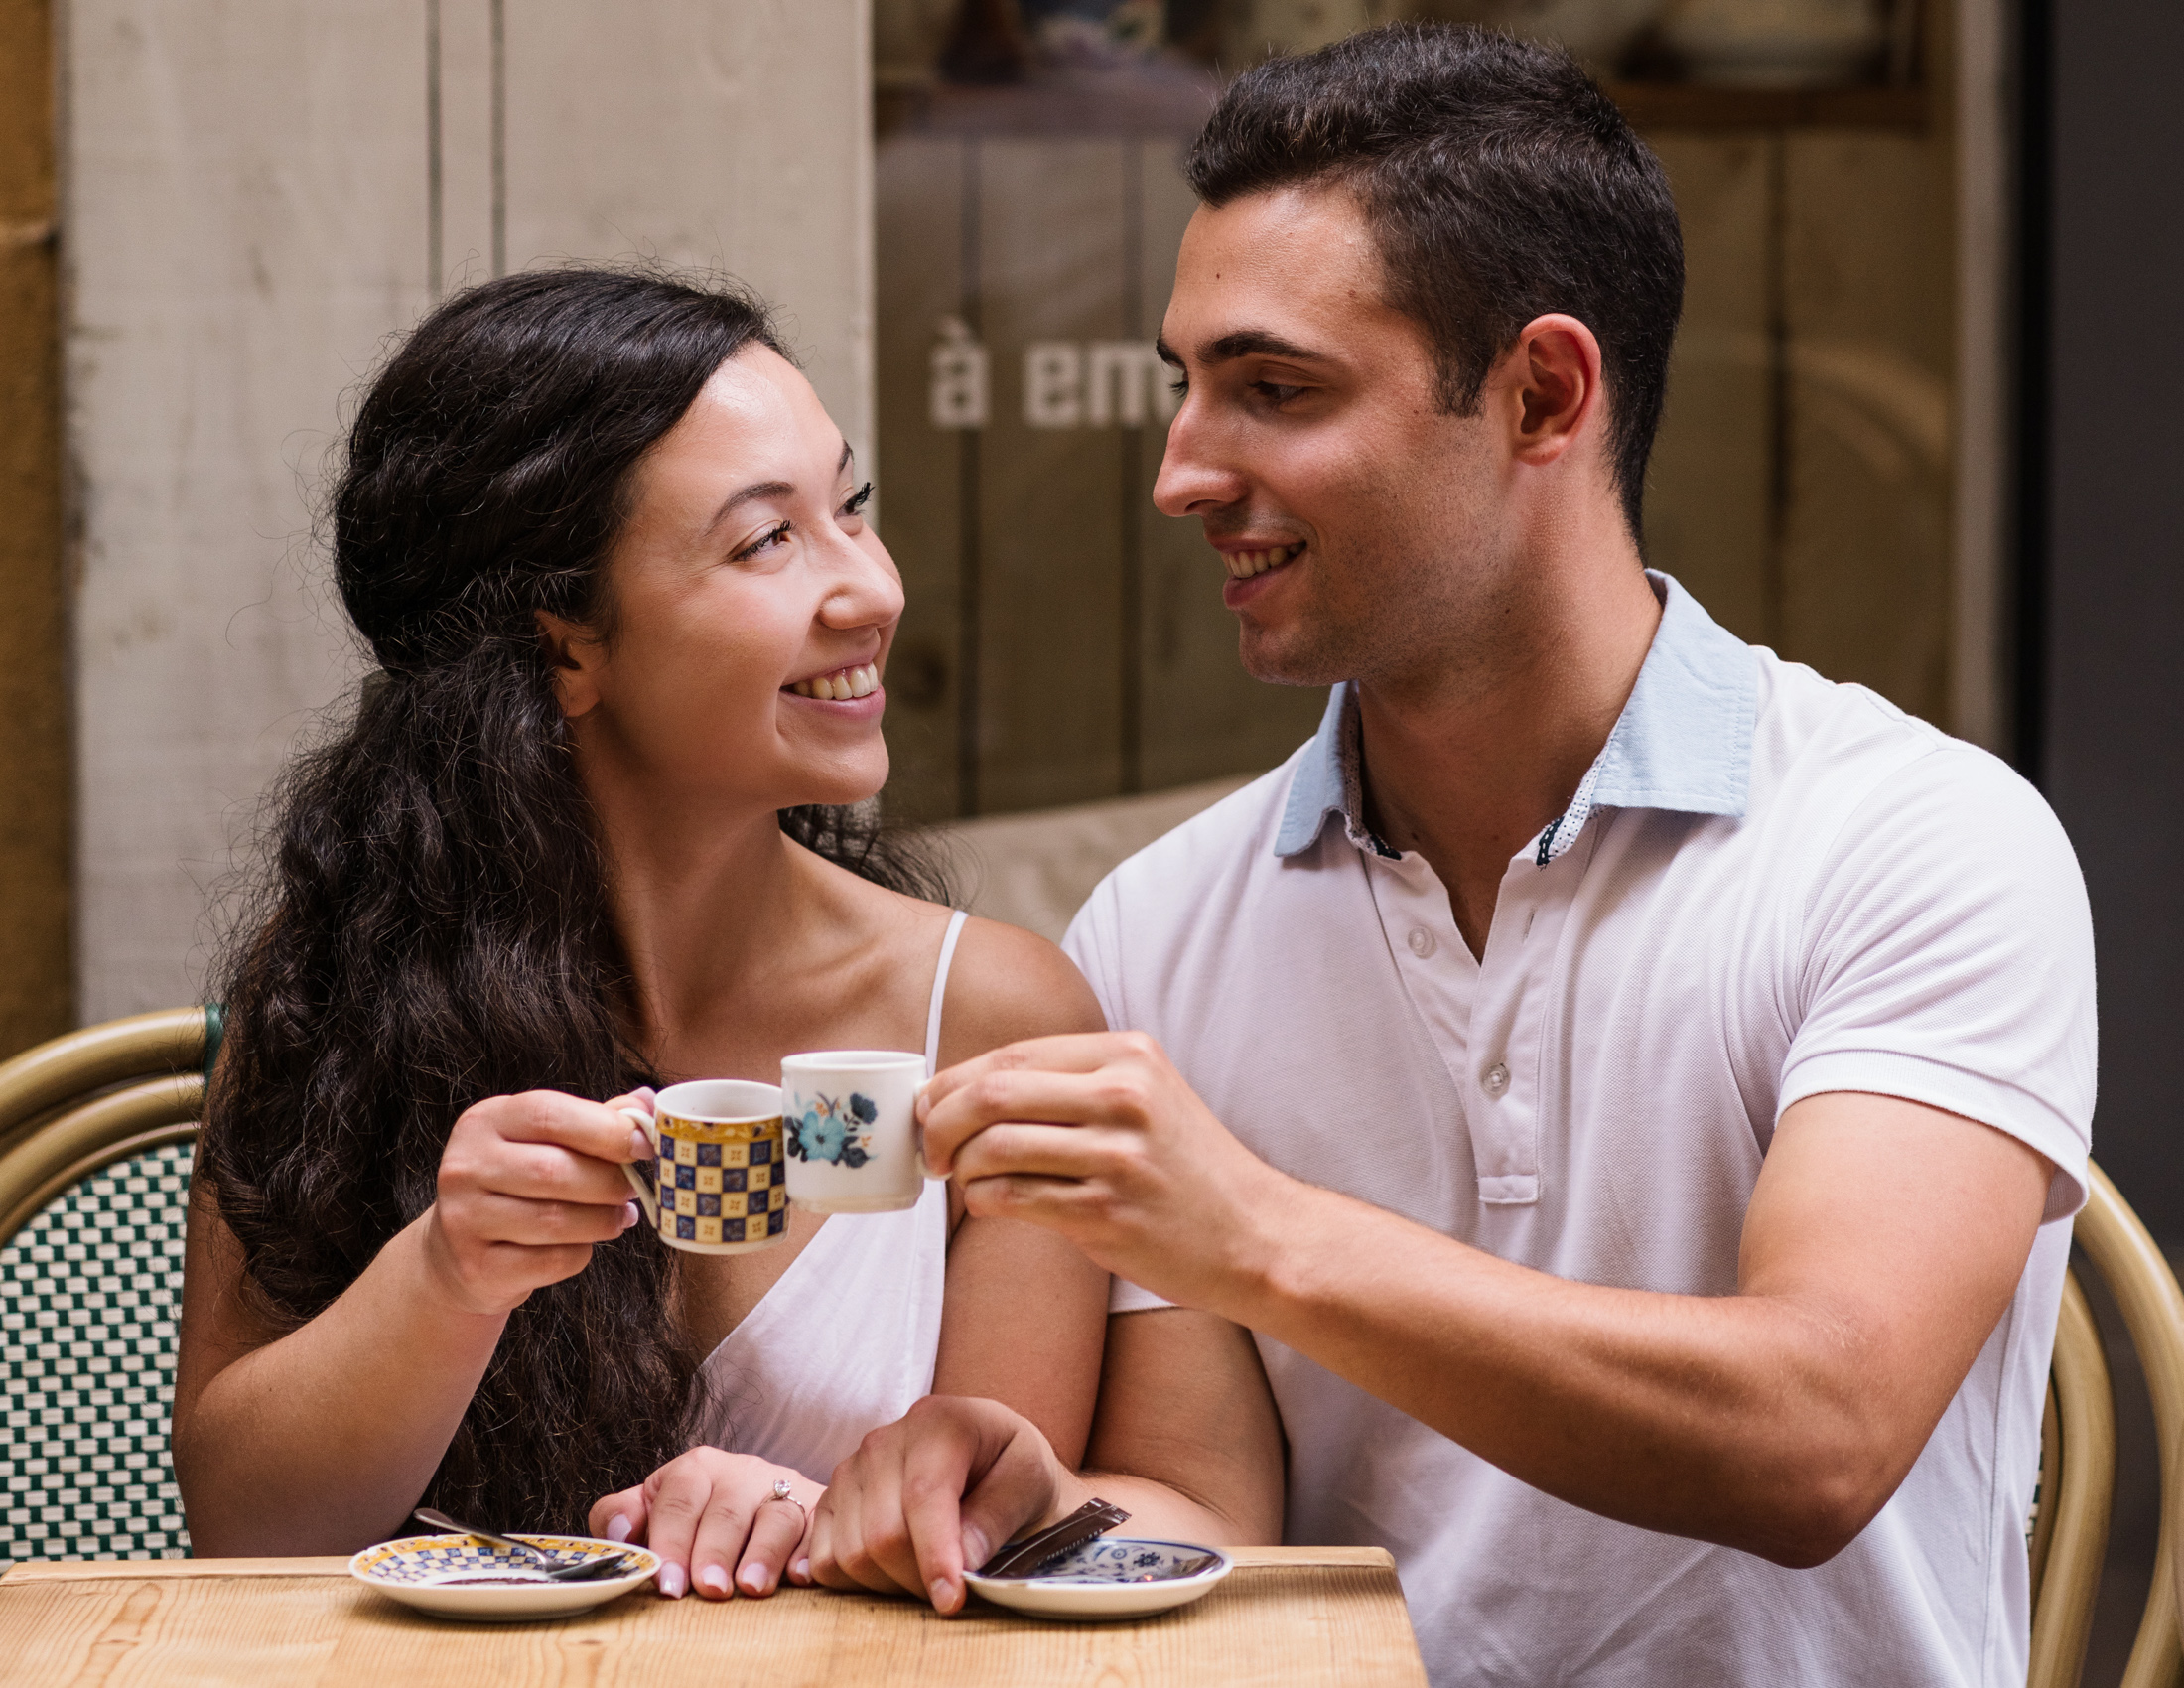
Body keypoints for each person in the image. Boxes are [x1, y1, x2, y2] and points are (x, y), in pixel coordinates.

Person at [801, 26, 2096, 1687]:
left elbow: (1818, 1435)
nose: (1181, 473)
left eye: (1275, 390)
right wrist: (1040, 1518)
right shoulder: (1165, 925)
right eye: (1183, 384)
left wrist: (1252, 1228)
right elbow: (1206, 1516)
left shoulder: (1917, 839)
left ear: (1542, 394)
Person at [174, 268, 1123, 1605]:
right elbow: (247, 1533)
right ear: (563, 649)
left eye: (849, 508)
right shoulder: (342, 984)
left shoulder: (989, 1018)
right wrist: (447, 1275)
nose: (870, 591)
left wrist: (817, 1524)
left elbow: (991, 1557)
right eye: (764, 543)